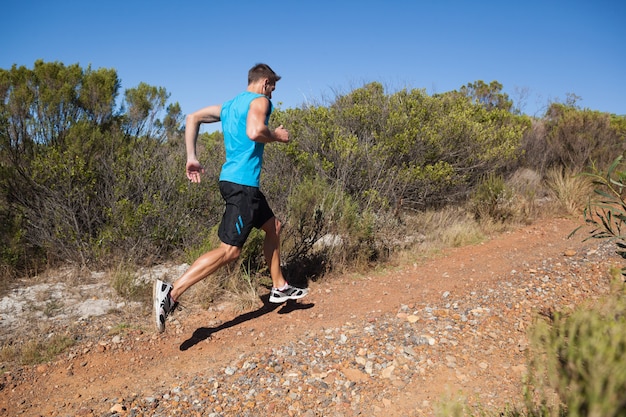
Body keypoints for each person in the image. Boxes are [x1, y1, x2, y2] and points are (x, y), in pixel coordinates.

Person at [153, 63, 308, 333]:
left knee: (273, 227)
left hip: (238, 183)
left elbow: (192, 117)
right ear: (265, 82)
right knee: (230, 250)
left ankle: (279, 287)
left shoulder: (229, 106)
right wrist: (278, 136)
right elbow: (255, 132)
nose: (272, 94)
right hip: (243, 187)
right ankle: (172, 293)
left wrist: (191, 157)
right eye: (273, 87)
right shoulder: (260, 101)